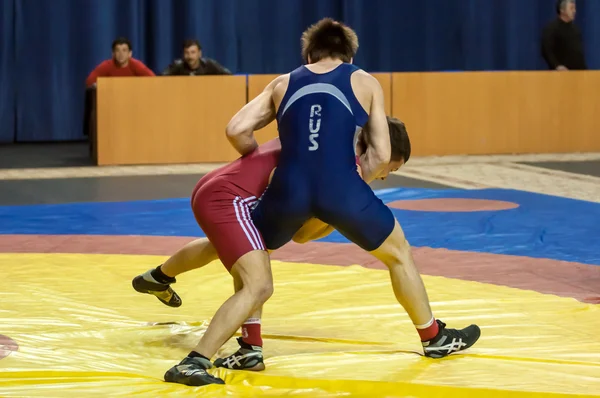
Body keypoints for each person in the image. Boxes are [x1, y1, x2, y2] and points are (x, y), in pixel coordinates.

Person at [226, 17, 481, 365]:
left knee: (253, 254)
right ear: (348, 55)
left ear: (310, 54)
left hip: (289, 185)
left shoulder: (283, 83)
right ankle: (433, 337)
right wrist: (352, 185)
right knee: (398, 254)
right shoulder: (364, 81)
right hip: (342, 187)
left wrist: (261, 161)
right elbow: (381, 154)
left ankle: (250, 348)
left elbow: (236, 129)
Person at [132, 116, 410, 386]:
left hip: (220, 186)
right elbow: (303, 234)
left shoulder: (331, 138)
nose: (384, 176)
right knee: (259, 284)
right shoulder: (341, 165)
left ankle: (162, 279)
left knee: (250, 249)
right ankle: (194, 362)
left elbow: (302, 226)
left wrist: (337, 209)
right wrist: (342, 208)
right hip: (230, 197)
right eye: (390, 169)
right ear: (380, 151)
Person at [85, 37, 155, 87]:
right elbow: (89, 81)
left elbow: (153, 80)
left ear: (130, 54)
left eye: (124, 50)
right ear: (113, 54)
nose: (121, 54)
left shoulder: (136, 65)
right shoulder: (107, 65)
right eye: (117, 51)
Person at [541, 0, 587, 71]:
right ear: (562, 10)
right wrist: (557, 66)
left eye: (575, 8)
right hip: (561, 75)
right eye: (571, 8)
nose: (574, 11)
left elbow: (579, 54)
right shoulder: (552, 29)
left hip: (579, 74)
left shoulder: (576, 29)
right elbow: (546, 50)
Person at [162, 39, 231, 76]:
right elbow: (160, 79)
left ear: (199, 54)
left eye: (193, 52)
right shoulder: (177, 65)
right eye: (187, 53)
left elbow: (228, 75)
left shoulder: (209, 65)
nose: (190, 56)